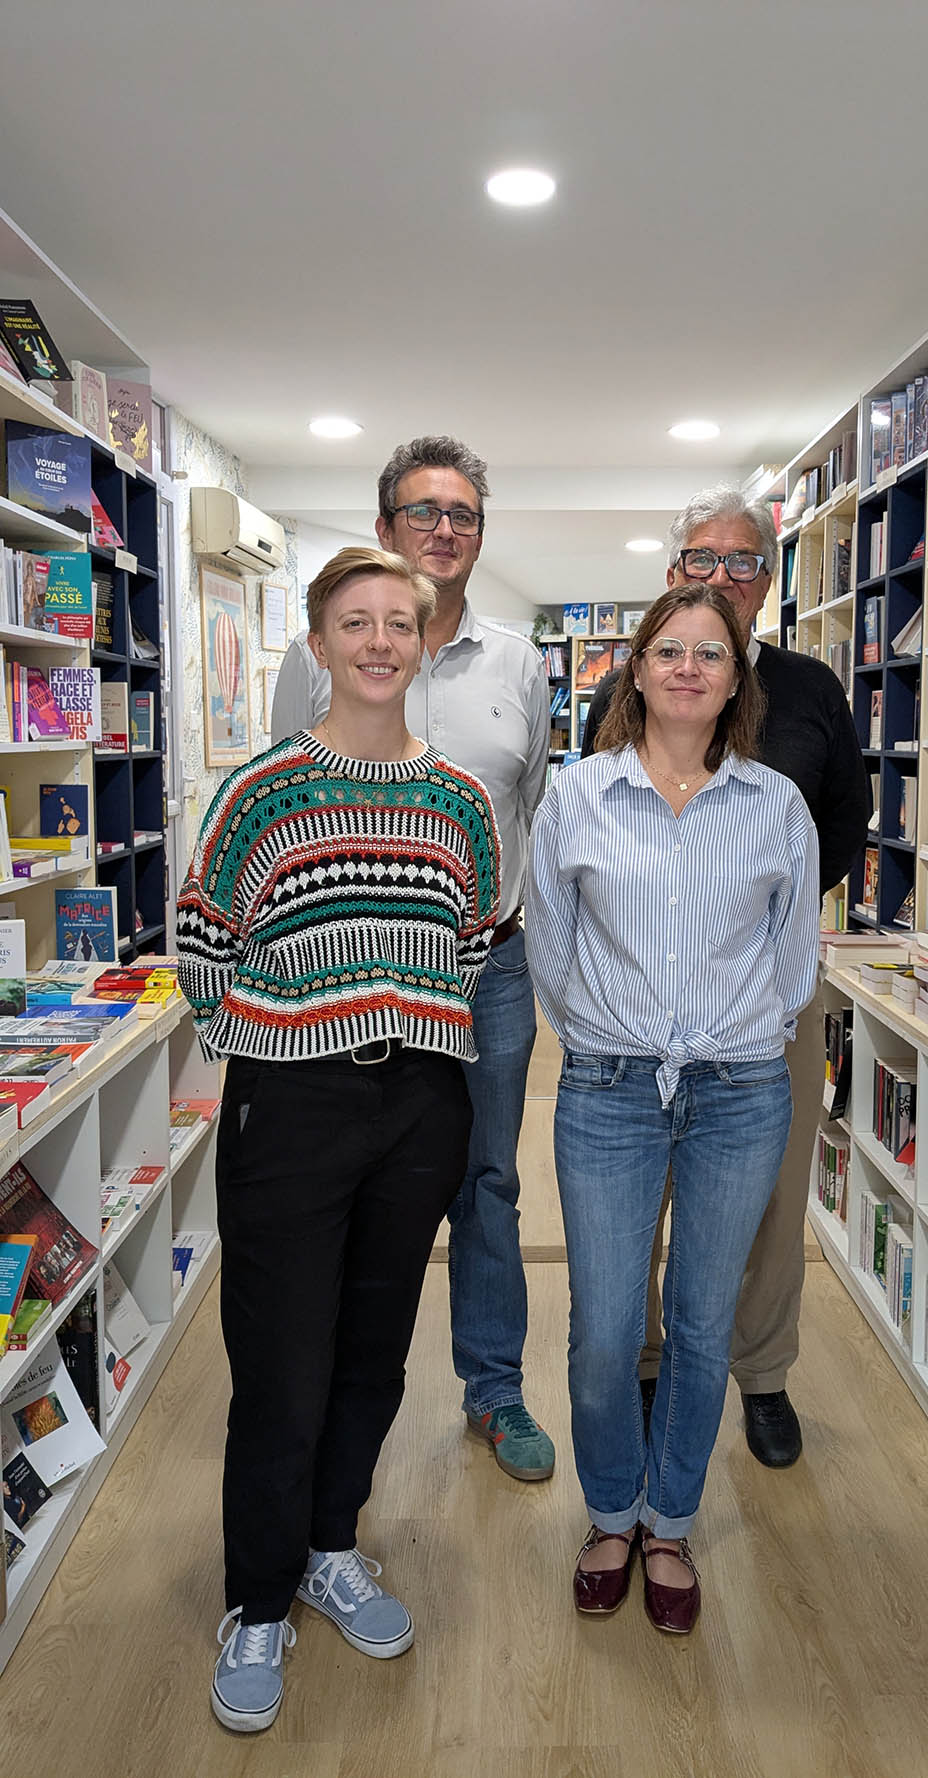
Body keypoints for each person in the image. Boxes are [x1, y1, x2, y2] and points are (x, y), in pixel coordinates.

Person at [177, 546, 500, 1733]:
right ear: (315, 645)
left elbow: (471, 938)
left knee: (372, 1346)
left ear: (422, 642)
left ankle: (328, 1543)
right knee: (280, 1353)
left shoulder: (461, 798)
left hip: (420, 1100)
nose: (377, 642)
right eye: (353, 623)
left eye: (397, 624)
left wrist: (393, 1020)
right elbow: (203, 944)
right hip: (293, 1099)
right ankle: (256, 1594)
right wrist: (284, 1037)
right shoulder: (261, 790)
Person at [526, 583, 819, 1632]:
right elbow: (552, 949)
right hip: (608, 1089)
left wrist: (730, 1037)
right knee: (606, 1324)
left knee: (700, 1323)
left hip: (740, 1091)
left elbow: (793, 964)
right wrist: (612, 1029)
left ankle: (670, 1519)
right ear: (638, 669)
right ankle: (610, 1509)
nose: (689, 665)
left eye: (712, 651)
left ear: (736, 678)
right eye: (670, 649)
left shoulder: (774, 804)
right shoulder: (578, 796)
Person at [271, 437, 555, 1482]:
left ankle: (495, 1394)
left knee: (486, 1181)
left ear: (481, 533)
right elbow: (283, 800)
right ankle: (338, 1405)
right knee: (347, 1182)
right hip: (352, 972)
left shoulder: (520, 663)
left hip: (489, 973)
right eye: (423, 511)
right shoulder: (319, 654)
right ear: (384, 525)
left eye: (464, 514)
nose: (444, 529)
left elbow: (526, 819)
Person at [581, 485, 869, 1467]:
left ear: (767, 577)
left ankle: (764, 1370)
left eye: (741, 561)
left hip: (767, 989)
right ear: (671, 579)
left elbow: (840, 827)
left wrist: (760, 925)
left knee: (769, 1195)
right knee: (639, 1189)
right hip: (637, 991)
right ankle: (656, 1358)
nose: (719, 578)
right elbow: (588, 833)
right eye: (700, 560)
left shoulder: (813, 691)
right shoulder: (625, 687)